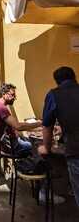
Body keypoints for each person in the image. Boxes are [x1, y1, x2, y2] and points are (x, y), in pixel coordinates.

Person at [39, 66, 79, 206]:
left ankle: (48, 190)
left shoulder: (54, 94)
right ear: (74, 78)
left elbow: (47, 126)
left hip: (75, 151)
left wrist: (47, 147)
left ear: (57, 81)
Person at [0, 83, 42, 155]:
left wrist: (35, 127)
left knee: (32, 140)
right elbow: (18, 126)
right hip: (13, 146)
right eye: (12, 95)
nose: (15, 98)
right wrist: (40, 123)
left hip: (10, 143)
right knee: (39, 146)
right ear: (4, 94)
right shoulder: (1, 108)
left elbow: (15, 126)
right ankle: (37, 165)